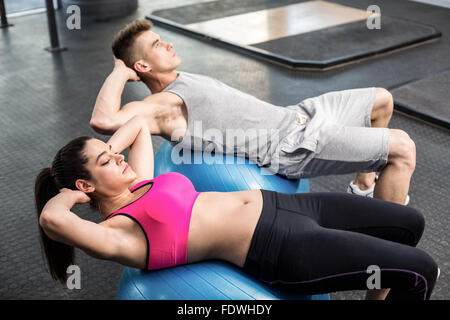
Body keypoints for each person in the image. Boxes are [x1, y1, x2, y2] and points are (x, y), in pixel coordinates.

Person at [35, 116, 438, 300]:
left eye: (113, 153)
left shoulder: (138, 180)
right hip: (280, 246)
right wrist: (74, 194)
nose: (119, 158)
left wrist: (110, 154)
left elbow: (140, 124)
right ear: (85, 185)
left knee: (409, 224)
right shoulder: (116, 233)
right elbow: (51, 218)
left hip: (288, 204)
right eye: (107, 162)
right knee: (419, 272)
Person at [90, 19, 414, 207]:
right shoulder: (163, 105)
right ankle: (392, 254)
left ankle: (362, 187)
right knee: (401, 148)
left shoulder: (182, 77)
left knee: (382, 100)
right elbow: (103, 121)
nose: (169, 44)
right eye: (157, 45)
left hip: (297, 115)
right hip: (291, 147)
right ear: (142, 65)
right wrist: (119, 71)